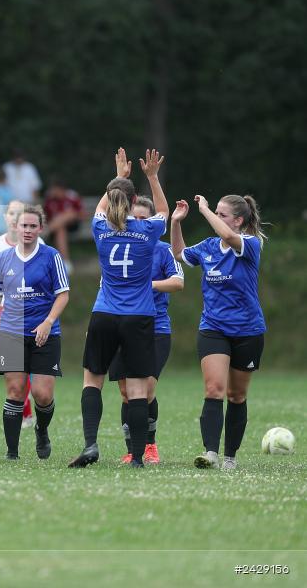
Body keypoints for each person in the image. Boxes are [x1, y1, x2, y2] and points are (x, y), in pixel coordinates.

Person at [68, 148, 169, 469]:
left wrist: (119, 178)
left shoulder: (101, 229)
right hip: (138, 316)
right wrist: (152, 176)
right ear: (133, 199)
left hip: (105, 314)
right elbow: (164, 212)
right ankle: (138, 457)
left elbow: (102, 206)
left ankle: (90, 444)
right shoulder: (146, 232)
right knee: (138, 388)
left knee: (92, 380)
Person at [170, 193, 267, 470]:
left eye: (222, 214)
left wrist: (204, 210)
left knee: (236, 395)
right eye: (217, 213)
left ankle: (230, 457)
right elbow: (179, 254)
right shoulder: (209, 247)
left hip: (248, 330)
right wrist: (176, 223)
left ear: (238, 221)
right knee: (214, 389)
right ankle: (210, 453)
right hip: (213, 328)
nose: (217, 217)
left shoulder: (249, 244)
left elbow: (225, 233)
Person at [0, 205, 70, 460]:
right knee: (16, 390)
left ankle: (41, 431)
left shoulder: (51, 256)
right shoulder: (3, 258)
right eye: (24, 225)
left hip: (45, 334)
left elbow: (63, 294)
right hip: (11, 332)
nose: (28, 230)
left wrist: (48, 321)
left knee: (42, 394)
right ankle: (12, 452)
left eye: (33, 226)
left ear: (40, 228)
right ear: (15, 227)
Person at [109, 196, 183, 464]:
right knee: (126, 393)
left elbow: (177, 282)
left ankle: (149, 446)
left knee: (147, 390)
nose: (138, 223)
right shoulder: (116, 245)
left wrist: (149, 285)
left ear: (153, 222)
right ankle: (131, 450)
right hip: (119, 325)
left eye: (144, 219)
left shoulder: (162, 250)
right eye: (134, 219)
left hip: (155, 327)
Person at [0, 199, 41, 428]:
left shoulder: (40, 243)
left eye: (19, 213)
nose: (14, 217)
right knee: (13, 364)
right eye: (11, 213)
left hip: (32, 309)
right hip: (5, 309)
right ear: (7, 218)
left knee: (29, 361)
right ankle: (24, 409)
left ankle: (27, 409)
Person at [43, 176, 84, 273]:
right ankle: (66, 263)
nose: (53, 191)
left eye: (55, 189)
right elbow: (46, 217)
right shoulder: (50, 199)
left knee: (69, 213)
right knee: (60, 230)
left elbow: (81, 214)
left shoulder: (72, 196)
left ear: (61, 189)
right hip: (57, 228)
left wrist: (66, 217)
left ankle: (44, 233)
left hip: (73, 225)